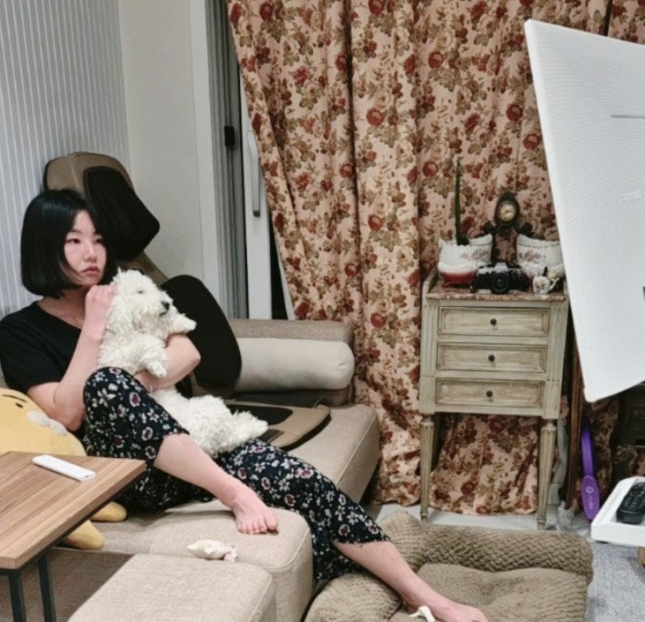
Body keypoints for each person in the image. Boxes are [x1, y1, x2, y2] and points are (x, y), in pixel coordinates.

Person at [0, 189, 486, 622]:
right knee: (106, 383)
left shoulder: (128, 294)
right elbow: (67, 413)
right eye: (74, 241)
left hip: (186, 450)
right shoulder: (19, 330)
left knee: (300, 481)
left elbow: (188, 351)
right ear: (44, 247)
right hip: (129, 474)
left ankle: (422, 595)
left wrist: (138, 380)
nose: (91, 253)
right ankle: (233, 492)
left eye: (98, 239)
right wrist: (93, 330)